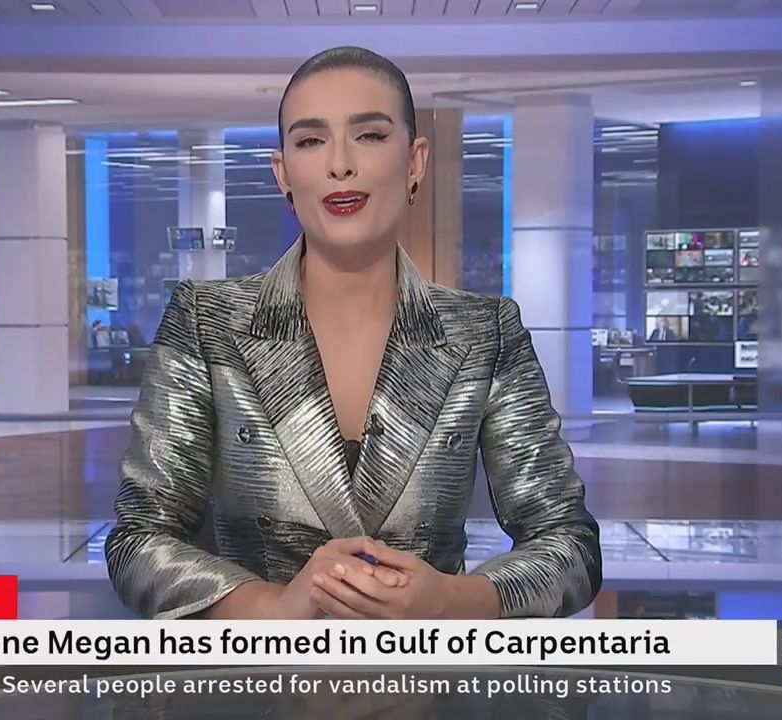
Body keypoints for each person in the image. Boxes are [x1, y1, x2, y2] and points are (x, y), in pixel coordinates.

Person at [105, 46, 601, 621]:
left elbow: (570, 545)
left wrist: (451, 600)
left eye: (369, 135)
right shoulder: (206, 319)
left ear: (415, 161)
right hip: (262, 671)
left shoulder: (485, 332)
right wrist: (275, 607)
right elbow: (137, 541)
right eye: (311, 141)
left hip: (427, 671)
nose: (340, 164)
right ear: (283, 172)